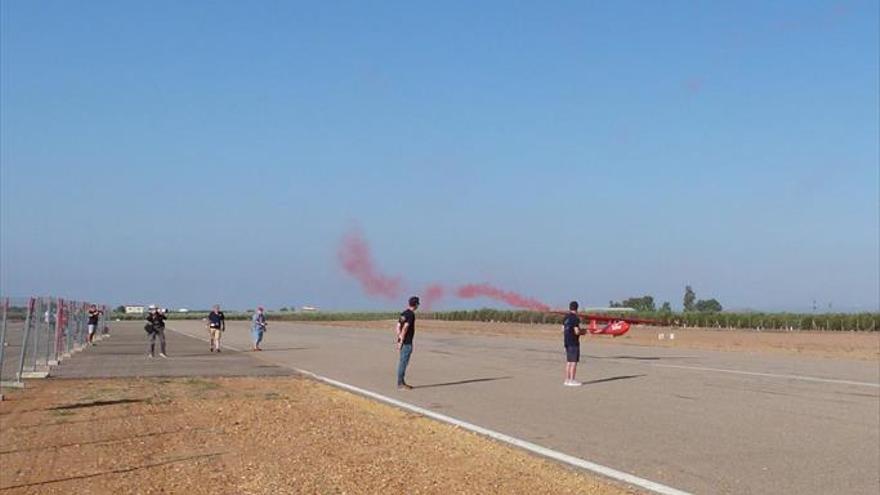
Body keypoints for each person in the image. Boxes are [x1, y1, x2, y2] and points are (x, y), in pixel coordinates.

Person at [395, 296, 420, 390]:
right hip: (407, 343)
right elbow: (405, 327)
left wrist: (399, 339)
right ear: (416, 304)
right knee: (403, 363)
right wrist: (402, 341)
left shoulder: (404, 313)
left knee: (402, 362)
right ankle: (400, 383)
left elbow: (398, 326)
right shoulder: (411, 315)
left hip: (403, 341)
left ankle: (401, 382)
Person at [563, 300, 585, 386]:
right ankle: (572, 380)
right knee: (573, 362)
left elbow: (562, 329)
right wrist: (583, 332)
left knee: (568, 362)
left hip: (567, 342)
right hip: (573, 342)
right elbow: (576, 331)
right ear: (577, 308)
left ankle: (567, 379)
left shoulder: (566, 317)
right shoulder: (575, 318)